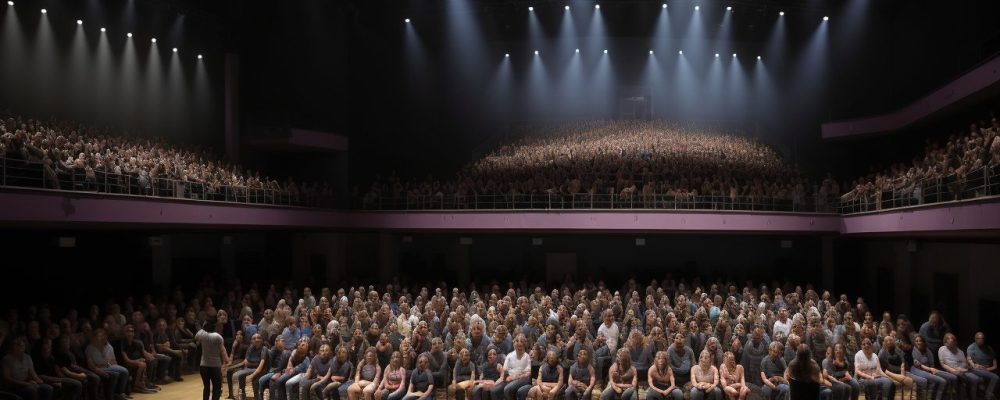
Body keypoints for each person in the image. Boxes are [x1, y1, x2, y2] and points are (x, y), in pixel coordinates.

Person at [84, 328, 129, 400]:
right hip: (98, 368)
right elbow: (90, 365)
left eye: (103, 335)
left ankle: (119, 393)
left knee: (124, 371)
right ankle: (110, 396)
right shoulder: (90, 348)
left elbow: (113, 360)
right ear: (94, 337)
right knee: (116, 374)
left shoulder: (107, 346)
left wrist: (116, 366)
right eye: (100, 336)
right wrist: (98, 371)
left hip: (108, 366)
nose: (102, 337)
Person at [939, 333, 983, 399]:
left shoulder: (960, 351)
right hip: (950, 370)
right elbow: (942, 364)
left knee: (976, 378)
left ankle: (972, 396)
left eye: (952, 342)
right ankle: (962, 395)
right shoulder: (942, 349)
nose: (951, 344)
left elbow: (964, 363)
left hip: (962, 370)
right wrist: (953, 370)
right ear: (945, 342)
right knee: (962, 379)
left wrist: (962, 368)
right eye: (948, 342)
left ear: (955, 342)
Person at [197, 318, 231, 400]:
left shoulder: (202, 334)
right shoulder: (218, 336)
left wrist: (203, 328)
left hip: (203, 365)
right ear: (215, 327)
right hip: (215, 366)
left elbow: (196, 337)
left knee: (206, 387)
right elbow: (223, 351)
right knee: (217, 388)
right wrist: (227, 361)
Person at [878, 335, 922, 400]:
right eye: (887, 341)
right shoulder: (882, 353)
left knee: (914, 383)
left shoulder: (897, 349)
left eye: (890, 340)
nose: (889, 342)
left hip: (901, 371)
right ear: (883, 343)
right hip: (889, 373)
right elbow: (888, 367)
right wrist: (900, 374)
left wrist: (902, 371)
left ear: (893, 341)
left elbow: (903, 361)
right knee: (907, 382)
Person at [910, 335, 953, 400]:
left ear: (923, 342)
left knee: (948, 379)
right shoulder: (914, 350)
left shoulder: (927, 350)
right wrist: (930, 369)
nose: (919, 342)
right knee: (942, 381)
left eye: (920, 341)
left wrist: (932, 370)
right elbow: (919, 365)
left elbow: (932, 362)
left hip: (929, 369)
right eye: (917, 341)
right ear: (914, 342)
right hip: (918, 370)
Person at [494, 335, 531, 400]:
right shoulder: (510, 355)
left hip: (522, 379)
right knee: (494, 390)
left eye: (521, 345)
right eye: (517, 345)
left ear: (524, 346)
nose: (519, 347)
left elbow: (528, 372)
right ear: (514, 345)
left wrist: (515, 377)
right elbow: (505, 370)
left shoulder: (527, 357)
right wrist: (500, 369)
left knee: (507, 389)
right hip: (509, 378)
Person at [233, 333, 267, 400]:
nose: (256, 340)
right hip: (249, 368)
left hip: (258, 369)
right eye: (254, 338)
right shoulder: (250, 348)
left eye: (258, 338)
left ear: (262, 340)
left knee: (252, 379)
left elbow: (261, 365)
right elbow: (245, 361)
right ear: (251, 341)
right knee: (235, 375)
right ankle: (241, 396)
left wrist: (252, 375)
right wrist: (232, 367)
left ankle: (257, 398)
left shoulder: (264, 349)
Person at [967, 332, 998, 400]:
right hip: (977, 369)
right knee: (995, 377)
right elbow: (969, 359)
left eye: (982, 338)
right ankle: (988, 395)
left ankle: (987, 393)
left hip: (986, 369)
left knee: (995, 377)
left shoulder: (989, 348)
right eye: (978, 338)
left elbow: (995, 365)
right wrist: (974, 365)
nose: (981, 340)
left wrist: (988, 369)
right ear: (975, 339)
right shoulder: (971, 347)